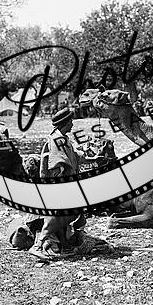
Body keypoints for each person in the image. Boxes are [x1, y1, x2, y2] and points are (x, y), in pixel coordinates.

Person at [28, 108, 92, 261]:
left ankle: (64, 247)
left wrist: (88, 156)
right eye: (70, 121)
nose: (72, 124)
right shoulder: (57, 140)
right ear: (65, 123)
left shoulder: (62, 139)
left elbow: (73, 156)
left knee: (63, 217)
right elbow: (58, 164)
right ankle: (38, 246)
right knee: (60, 216)